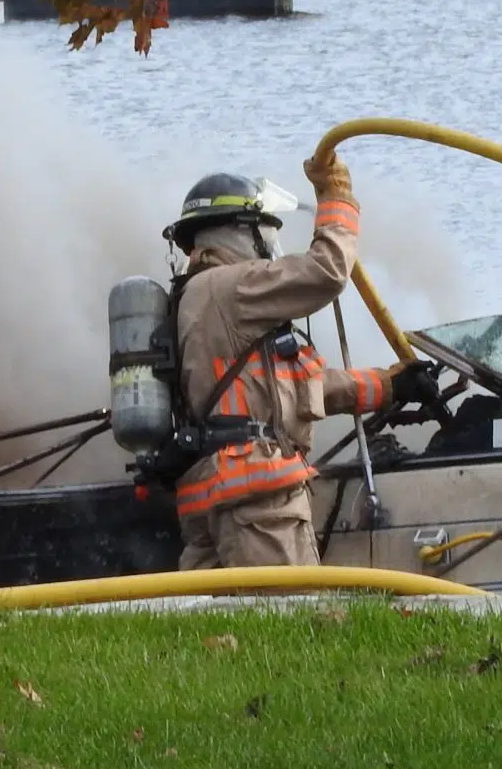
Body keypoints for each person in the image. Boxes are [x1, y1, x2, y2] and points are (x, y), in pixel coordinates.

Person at [167, 151, 439, 568]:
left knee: (223, 607)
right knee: (287, 603)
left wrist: (388, 386)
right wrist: (336, 197)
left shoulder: (201, 298)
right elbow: (327, 271)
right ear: (239, 232)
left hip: (219, 493)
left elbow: (299, 388)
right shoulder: (231, 287)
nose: (268, 249)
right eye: (264, 233)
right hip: (256, 500)